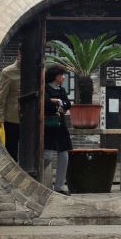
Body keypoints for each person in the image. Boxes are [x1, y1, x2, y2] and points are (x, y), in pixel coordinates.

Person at [43, 64, 73, 195]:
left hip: (60, 125)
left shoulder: (61, 90)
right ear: (56, 76)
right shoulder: (45, 88)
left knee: (64, 155)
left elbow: (68, 104)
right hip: (48, 125)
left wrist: (58, 102)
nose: (63, 78)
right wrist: (57, 102)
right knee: (47, 155)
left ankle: (60, 186)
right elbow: (46, 103)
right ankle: (35, 178)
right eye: (62, 75)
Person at [0, 49, 21, 161]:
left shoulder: (34, 71)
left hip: (30, 120)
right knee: (11, 152)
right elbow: (0, 97)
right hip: (12, 119)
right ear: (19, 54)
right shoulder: (8, 72)